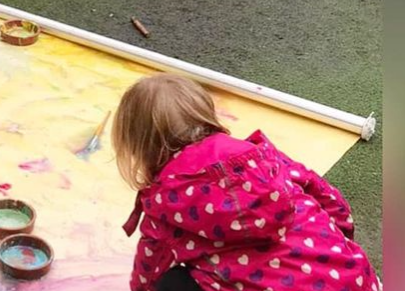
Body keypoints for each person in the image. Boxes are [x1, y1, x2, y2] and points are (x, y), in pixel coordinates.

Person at [112, 73, 382, 291]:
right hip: (356, 280)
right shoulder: (260, 154)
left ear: (140, 147)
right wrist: (336, 243)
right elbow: (330, 199)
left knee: (172, 283)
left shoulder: (162, 202)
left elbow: (147, 273)